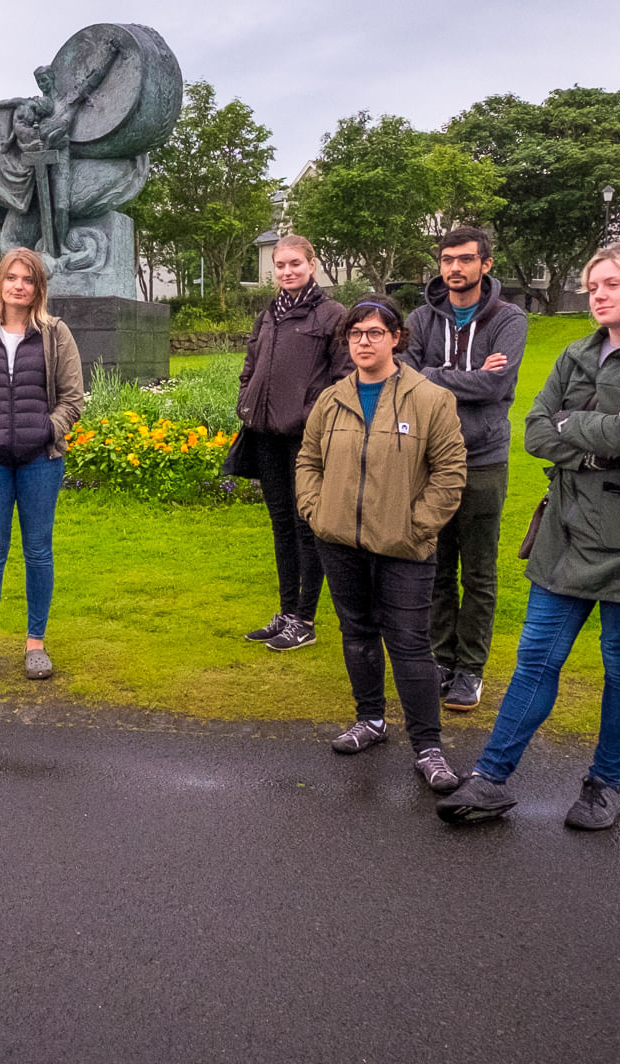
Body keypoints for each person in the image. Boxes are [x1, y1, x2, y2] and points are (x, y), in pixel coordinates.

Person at [436, 243, 620, 830]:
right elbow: (534, 432)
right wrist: (596, 440)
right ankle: (491, 779)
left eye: (610, 284)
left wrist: (576, 426)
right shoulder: (576, 351)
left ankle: (604, 787)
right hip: (569, 525)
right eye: (592, 286)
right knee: (535, 658)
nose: (598, 295)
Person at [298, 294, 468, 794]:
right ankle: (370, 720)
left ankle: (428, 747)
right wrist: (315, 510)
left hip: (404, 544)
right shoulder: (332, 399)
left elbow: (450, 473)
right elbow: (308, 460)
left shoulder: (431, 398)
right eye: (355, 334)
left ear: (397, 338)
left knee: (411, 645)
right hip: (339, 540)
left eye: (374, 333)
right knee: (357, 634)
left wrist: (419, 525)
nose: (363, 342)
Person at [399, 226, 527, 713]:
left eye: (466, 259)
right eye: (448, 259)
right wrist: (464, 377)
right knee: (433, 569)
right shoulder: (421, 318)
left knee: (478, 572)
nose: (455, 268)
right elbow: (403, 377)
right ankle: (441, 660)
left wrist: (433, 374)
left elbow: (495, 388)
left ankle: (470, 668)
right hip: (429, 459)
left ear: (485, 264)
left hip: (483, 458)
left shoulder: (509, 319)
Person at [0, 246, 85, 685]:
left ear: (38, 286)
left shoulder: (55, 334)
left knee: (38, 551)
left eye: (27, 279)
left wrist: (48, 428)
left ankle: (35, 643)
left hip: (40, 461)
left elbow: (73, 399)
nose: (19, 286)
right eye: (12, 278)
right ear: (0, 284)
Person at [226, 234, 349, 653]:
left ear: (312, 265)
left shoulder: (333, 315)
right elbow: (251, 365)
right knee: (281, 525)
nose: (286, 271)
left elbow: (342, 377)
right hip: (264, 434)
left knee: (306, 525)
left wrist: (312, 414)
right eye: (280, 265)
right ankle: (286, 612)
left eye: (295, 264)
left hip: (304, 438)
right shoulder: (269, 316)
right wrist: (246, 398)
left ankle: (306, 618)